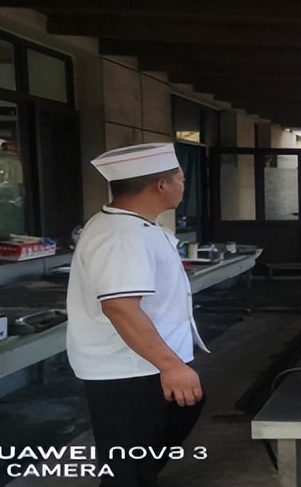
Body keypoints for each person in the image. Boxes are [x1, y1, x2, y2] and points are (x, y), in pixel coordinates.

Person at [66, 142, 208, 486]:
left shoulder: (138, 227)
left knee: (155, 447)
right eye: (181, 179)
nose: (183, 187)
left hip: (147, 364)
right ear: (161, 185)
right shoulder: (122, 236)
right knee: (128, 471)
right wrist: (171, 366)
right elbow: (120, 306)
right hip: (130, 370)